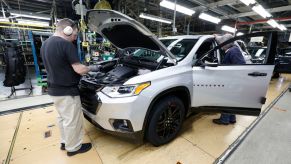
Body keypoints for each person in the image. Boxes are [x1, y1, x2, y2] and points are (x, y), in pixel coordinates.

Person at [41, 18, 100, 156]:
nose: (74, 38)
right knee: (73, 120)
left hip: (54, 90)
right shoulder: (66, 45)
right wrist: (93, 68)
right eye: (74, 35)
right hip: (67, 91)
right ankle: (73, 148)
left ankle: (65, 142)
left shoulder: (45, 44)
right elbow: (79, 69)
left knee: (63, 118)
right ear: (67, 30)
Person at [212, 33, 246, 125]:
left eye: (222, 43)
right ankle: (232, 118)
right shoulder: (233, 49)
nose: (220, 45)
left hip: (233, 81)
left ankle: (224, 120)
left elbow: (241, 67)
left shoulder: (233, 52)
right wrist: (216, 36)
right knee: (231, 100)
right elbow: (222, 39)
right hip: (233, 81)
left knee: (226, 100)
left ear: (226, 44)